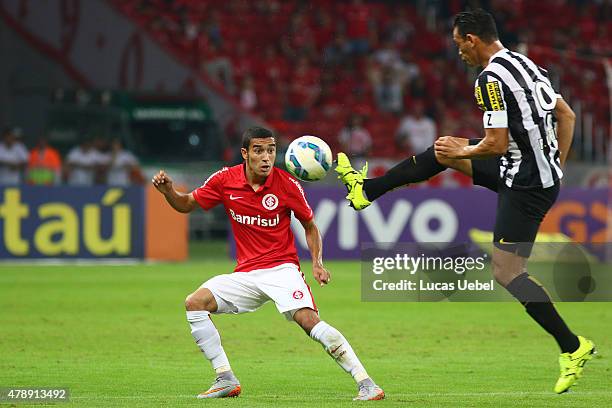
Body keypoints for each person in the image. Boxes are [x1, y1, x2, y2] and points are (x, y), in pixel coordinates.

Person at [335, 9, 594, 394]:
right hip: (527, 173)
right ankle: (367, 190)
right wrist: (556, 163)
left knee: (507, 272)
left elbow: (497, 143)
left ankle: (573, 347)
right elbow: (567, 115)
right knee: (444, 152)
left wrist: (469, 147)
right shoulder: (525, 63)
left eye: (459, 45)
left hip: (524, 186)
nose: (459, 53)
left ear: (472, 40)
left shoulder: (489, 78)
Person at [151, 126, 384, 401]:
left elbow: (309, 226)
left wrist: (317, 263)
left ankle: (366, 383)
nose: (266, 157)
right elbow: (187, 204)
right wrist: (168, 192)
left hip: (281, 269)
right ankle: (225, 378)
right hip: (246, 274)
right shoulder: (226, 179)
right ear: (245, 153)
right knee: (195, 303)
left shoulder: (287, 184)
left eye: (271, 150)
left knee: (309, 322)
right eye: (259, 150)